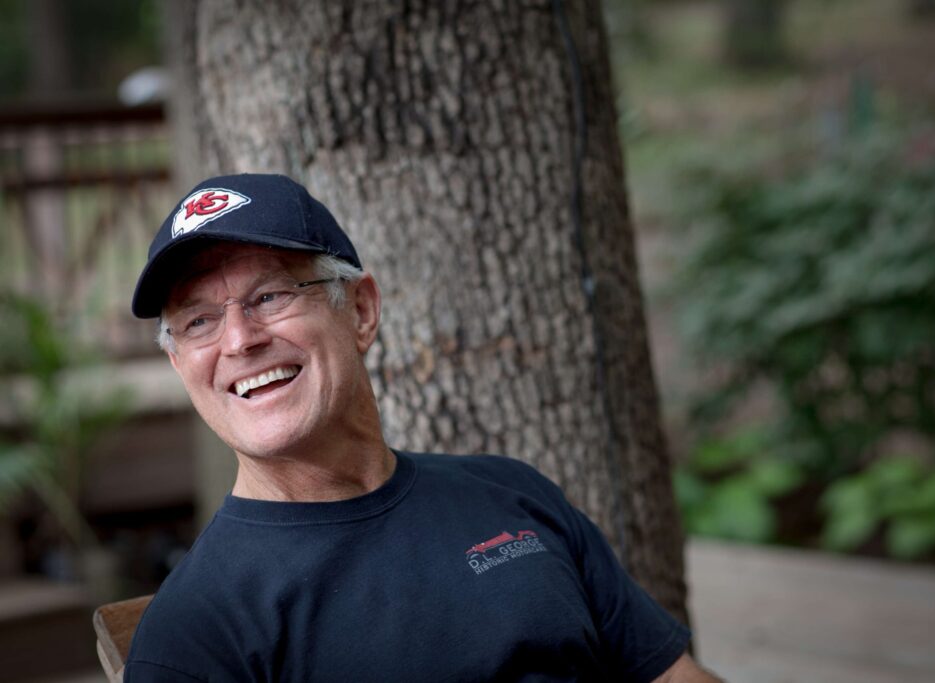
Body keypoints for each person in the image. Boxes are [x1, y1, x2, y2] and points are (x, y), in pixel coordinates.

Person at [123, 173, 720, 682]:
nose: (239, 339)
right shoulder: (194, 632)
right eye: (198, 321)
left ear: (360, 310)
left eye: (271, 295)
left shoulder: (512, 494)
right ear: (180, 363)